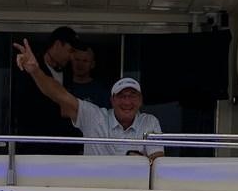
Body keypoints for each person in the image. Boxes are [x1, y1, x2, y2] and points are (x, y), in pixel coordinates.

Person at [13, 38, 164, 160]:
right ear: (111, 100)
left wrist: (144, 161)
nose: (127, 102)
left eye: (132, 96)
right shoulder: (95, 116)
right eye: (121, 96)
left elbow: (158, 162)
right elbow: (59, 95)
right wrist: (35, 71)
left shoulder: (149, 121)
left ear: (141, 100)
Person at [12, 26, 81, 154]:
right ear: (57, 44)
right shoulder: (30, 68)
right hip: (35, 146)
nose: (72, 57)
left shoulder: (68, 72)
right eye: (70, 51)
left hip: (63, 147)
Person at [68, 44, 110, 109]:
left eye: (85, 61)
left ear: (92, 64)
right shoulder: (63, 85)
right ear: (71, 61)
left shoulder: (100, 90)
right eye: (77, 59)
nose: (80, 64)